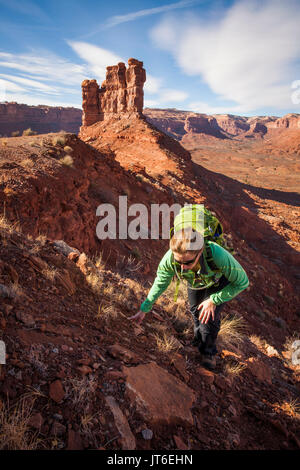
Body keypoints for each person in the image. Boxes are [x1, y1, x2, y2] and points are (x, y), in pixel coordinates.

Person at [129, 226, 249, 370]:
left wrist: (213, 300)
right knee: (195, 311)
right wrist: (144, 309)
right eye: (178, 262)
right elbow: (160, 283)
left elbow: (242, 282)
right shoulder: (171, 260)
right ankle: (199, 340)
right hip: (196, 279)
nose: (182, 267)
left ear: (200, 252)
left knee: (208, 318)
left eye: (187, 262)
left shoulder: (217, 254)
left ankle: (208, 352)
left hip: (218, 280)